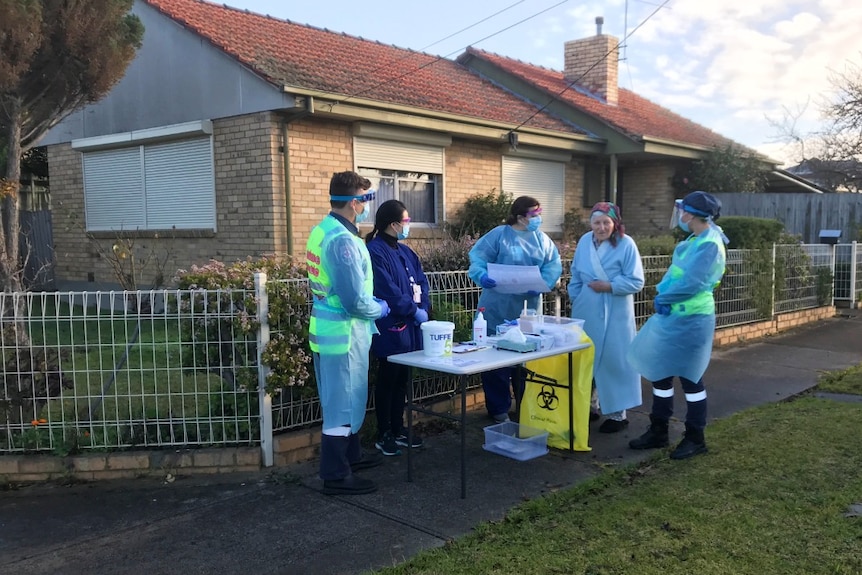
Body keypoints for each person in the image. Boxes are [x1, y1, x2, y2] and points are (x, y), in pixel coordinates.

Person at [306, 171, 390, 495]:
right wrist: (380, 309)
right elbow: (355, 300)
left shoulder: (324, 230)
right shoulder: (342, 241)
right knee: (341, 403)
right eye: (366, 200)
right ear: (355, 203)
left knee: (349, 396)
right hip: (343, 333)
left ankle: (351, 456)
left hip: (333, 330)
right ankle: (335, 474)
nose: (368, 206)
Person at [627, 190, 728, 460]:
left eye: (682, 209)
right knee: (660, 373)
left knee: (690, 378)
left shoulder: (709, 244)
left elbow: (694, 283)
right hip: (673, 316)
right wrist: (663, 293)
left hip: (692, 319)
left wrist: (665, 297)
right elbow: (676, 274)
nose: (679, 214)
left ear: (692, 214)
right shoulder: (696, 240)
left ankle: (696, 437)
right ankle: (659, 430)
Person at [468, 196, 562, 422]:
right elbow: (478, 257)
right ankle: (498, 409)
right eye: (534, 214)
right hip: (496, 304)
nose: (538, 218)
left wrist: (544, 283)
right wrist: (482, 275)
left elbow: (553, 264)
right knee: (494, 357)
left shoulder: (541, 239)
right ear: (520, 217)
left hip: (527, 307)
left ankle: (527, 406)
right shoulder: (500, 235)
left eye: (540, 213)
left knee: (526, 359)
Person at [568, 202, 644, 433]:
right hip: (586, 309)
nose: (601, 227)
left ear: (615, 223)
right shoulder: (584, 242)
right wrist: (576, 296)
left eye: (606, 223)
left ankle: (618, 414)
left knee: (614, 361)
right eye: (596, 222)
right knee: (586, 358)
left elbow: (636, 281)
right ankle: (590, 405)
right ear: (590, 223)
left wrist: (609, 286)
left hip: (615, 311)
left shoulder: (626, 244)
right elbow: (575, 273)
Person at [366, 199, 431, 456]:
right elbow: (386, 290)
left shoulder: (406, 252)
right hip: (391, 327)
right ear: (393, 224)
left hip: (411, 327)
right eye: (405, 221)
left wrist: (423, 306)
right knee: (388, 379)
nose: (408, 225)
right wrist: (413, 310)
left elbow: (421, 281)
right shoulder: (375, 251)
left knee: (403, 380)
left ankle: (398, 427)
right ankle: (384, 432)